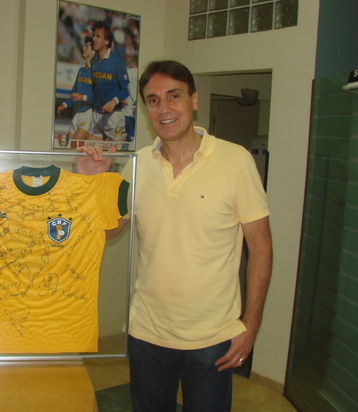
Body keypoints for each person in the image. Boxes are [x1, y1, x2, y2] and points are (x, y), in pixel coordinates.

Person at [77, 60, 273, 411]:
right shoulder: (138, 164)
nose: (164, 109)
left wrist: (251, 323)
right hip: (147, 334)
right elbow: (107, 231)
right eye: (153, 100)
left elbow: (261, 248)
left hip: (212, 338)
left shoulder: (236, 161)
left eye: (173, 96)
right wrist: (92, 185)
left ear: (193, 100)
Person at [88, 21, 130, 141]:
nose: (94, 39)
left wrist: (114, 101)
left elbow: (125, 90)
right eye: (93, 35)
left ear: (106, 41)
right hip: (96, 115)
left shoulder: (117, 61)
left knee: (118, 152)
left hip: (114, 116)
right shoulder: (93, 61)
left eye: (98, 36)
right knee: (90, 152)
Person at [57, 37, 96, 141]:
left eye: (87, 46)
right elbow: (74, 94)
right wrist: (65, 104)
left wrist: (82, 97)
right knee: (69, 146)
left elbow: (100, 98)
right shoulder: (81, 70)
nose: (83, 48)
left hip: (89, 114)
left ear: (93, 51)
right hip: (78, 113)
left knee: (75, 145)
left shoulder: (98, 73)